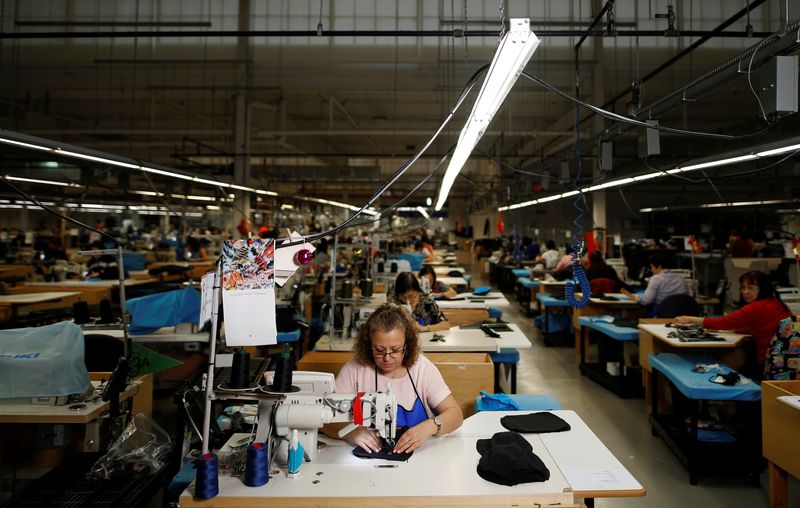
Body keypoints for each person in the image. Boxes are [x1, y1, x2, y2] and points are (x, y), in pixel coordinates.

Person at [322, 303, 463, 454]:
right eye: (379, 350)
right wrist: (351, 433)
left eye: (395, 350)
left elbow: (455, 414)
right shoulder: (355, 369)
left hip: (422, 457)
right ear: (369, 345)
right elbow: (324, 420)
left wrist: (430, 426)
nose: (387, 358)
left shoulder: (421, 368)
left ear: (407, 345)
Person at [674, 271, 792, 372]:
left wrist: (690, 319)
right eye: (743, 288)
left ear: (763, 288)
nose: (746, 292)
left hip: (768, 360)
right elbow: (759, 327)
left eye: (751, 288)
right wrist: (732, 330)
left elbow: (723, 322)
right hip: (786, 358)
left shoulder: (757, 307)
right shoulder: (776, 302)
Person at [620, 253, 688, 308]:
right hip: (683, 314)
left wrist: (630, 295)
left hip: (664, 313)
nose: (651, 270)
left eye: (652, 267)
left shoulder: (656, 278)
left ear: (659, 266)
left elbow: (646, 300)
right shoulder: (681, 278)